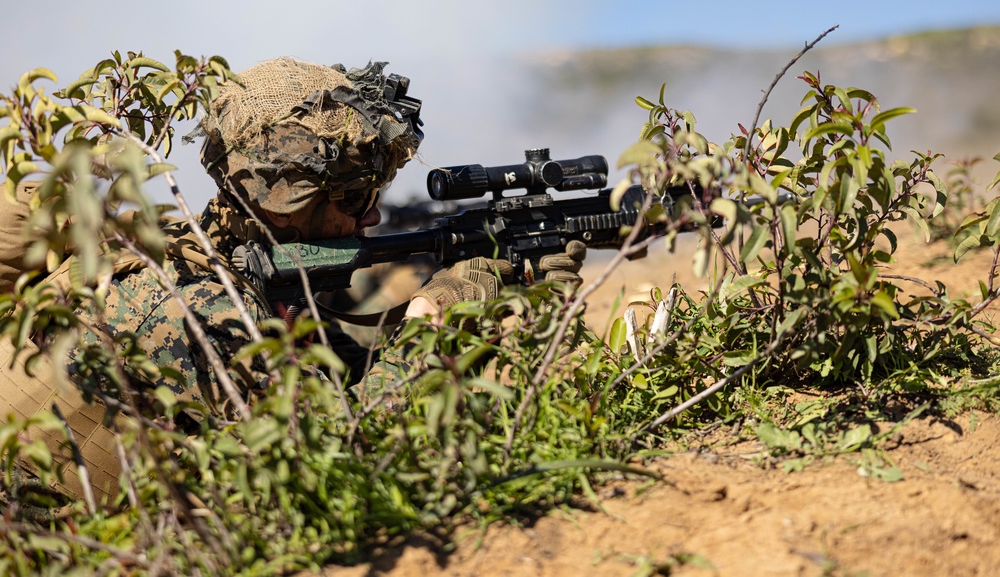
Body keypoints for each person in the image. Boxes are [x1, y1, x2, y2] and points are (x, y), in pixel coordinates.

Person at [0, 56, 585, 508]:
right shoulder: (199, 307)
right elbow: (345, 461)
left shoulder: (206, 259)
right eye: (356, 197)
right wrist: (442, 318)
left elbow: (327, 370)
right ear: (284, 202)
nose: (372, 216)